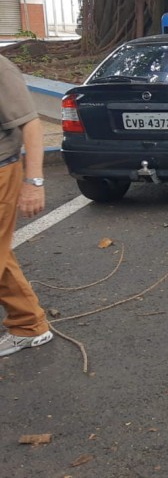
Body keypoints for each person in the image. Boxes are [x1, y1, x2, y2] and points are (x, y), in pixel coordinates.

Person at [0, 55, 53, 358]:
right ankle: (28, 324)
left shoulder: (1, 69)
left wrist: (33, 182)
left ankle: (28, 326)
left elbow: (31, 124)